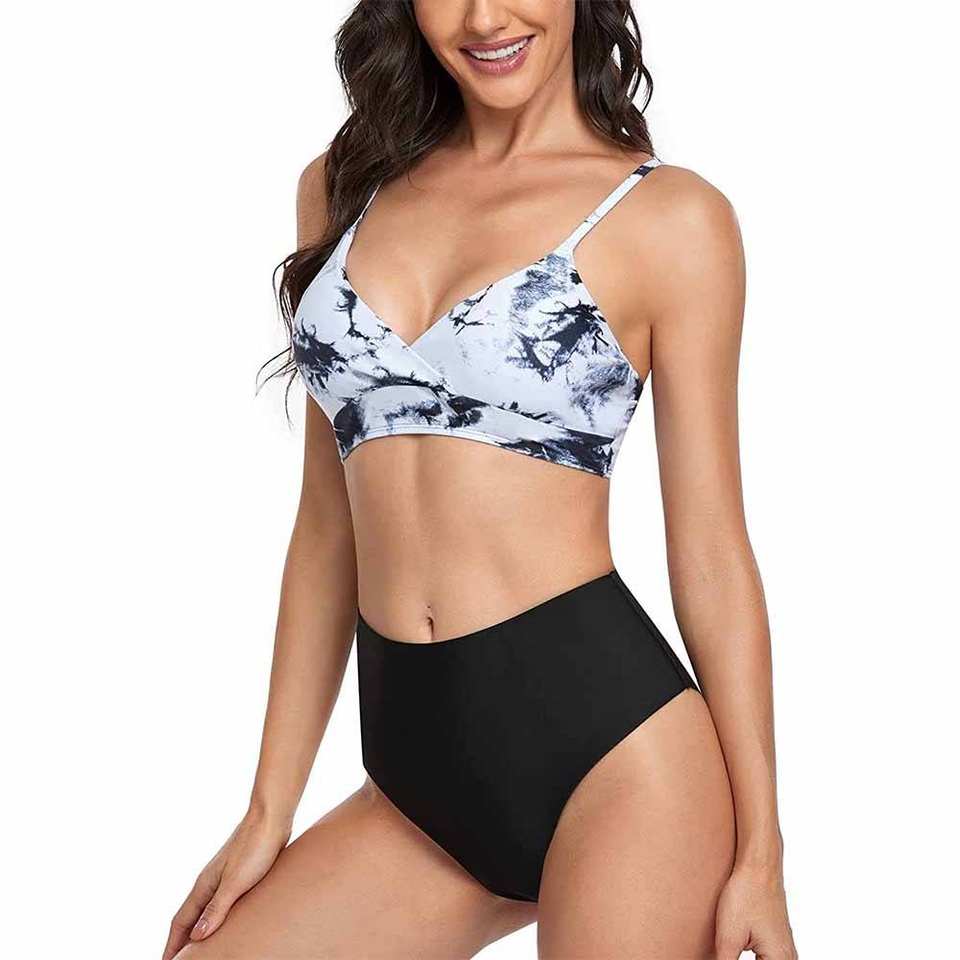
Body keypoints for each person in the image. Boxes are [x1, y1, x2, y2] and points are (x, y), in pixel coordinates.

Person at [164, 2, 797, 957]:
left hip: (621, 769)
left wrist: (762, 854)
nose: (484, 16)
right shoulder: (344, 188)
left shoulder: (668, 217)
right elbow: (328, 527)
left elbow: (710, 549)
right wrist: (267, 808)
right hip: (417, 782)